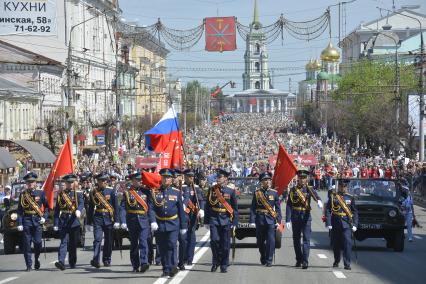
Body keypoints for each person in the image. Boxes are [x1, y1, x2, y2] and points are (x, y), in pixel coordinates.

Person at [150, 168, 187, 278]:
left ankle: (173, 266)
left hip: (173, 223)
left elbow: (181, 210)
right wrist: (152, 221)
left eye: (168, 177)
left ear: (171, 179)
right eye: (164, 177)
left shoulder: (177, 192)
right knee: (162, 247)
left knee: (171, 244)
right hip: (160, 223)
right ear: (161, 178)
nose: (166, 179)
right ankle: (166, 268)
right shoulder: (155, 191)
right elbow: (151, 208)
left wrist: (183, 226)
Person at [285, 167, 323, 269]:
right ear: (298, 178)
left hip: (306, 216)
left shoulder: (309, 189)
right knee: (296, 239)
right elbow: (289, 205)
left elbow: (316, 196)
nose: (302, 179)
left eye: (304, 177)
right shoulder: (293, 190)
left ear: (307, 179)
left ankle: (305, 261)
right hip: (296, 216)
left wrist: (319, 201)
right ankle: (299, 259)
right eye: (300, 177)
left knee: (306, 239)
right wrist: (287, 219)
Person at [204, 168, 238, 273]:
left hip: (226, 219)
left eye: (220, 177)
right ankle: (216, 261)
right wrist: (206, 221)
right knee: (214, 241)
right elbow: (207, 206)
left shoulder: (231, 191)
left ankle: (224, 264)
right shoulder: (212, 189)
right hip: (214, 218)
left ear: (225, 179)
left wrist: (234, 222)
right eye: (217, 177)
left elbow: (235, 208)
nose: (218, 179)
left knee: (225, 244)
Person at [119, 172, 155, 272]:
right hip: (132, 220)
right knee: (134, 244)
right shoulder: (127, 193)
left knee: (143, 242)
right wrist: (123, 221)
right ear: (133, 181)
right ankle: (135, 265)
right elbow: (122, 208)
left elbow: (151, 207)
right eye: (137, 180)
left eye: (140, 180)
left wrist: (152, 221)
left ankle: (144, 263)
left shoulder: (146, 192)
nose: (139, 181)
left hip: (144, 220)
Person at [16, 172, 49, 271]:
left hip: (37, 220)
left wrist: (44, 217)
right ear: (26, 183)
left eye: (32, 182)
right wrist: (20, 223)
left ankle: (36, 258)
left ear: (35, 182)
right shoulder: (23, 194)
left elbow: (47, 207)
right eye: (28, 182)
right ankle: (28, 265)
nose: (30, 183)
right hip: (26, 220)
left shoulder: (41, 193)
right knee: (27, 244)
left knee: (38, 242)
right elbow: (20, 210)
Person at [249, 172, 281, 267]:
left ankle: (269, 260)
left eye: (269, 180)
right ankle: (263, 255)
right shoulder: (257, 193)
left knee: (271, 240)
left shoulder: (274, 193)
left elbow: (278, 208)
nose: (268, 181)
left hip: (270, 220)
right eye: (265, 180)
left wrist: (278, 221)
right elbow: (253, 207)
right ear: (261, 182)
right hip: (260, 219)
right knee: (260, 241)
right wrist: (252, 220)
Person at [87, 172, 119, 268]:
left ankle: (106, 259)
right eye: (102, 181)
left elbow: (116, 207)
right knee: (97, 239)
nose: (104, 182)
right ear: (98, 182)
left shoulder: (111, 191)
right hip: (98, 218)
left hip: (109, 218)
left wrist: (117, 220)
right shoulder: (93, 192)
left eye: (105, 181)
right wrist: (88, 222)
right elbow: (91, 208)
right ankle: (96, 259)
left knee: (109, 241)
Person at [53, 174, 84, 270]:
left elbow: (81, 203)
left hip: (74, 220)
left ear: (74, 183)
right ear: (65, 183)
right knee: (63, 242)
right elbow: (57, 210)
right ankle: (61, 262)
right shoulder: (61, 194)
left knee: (73, 244)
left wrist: (79, 209)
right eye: (68, 182)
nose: (70, 184)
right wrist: (56, 223)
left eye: (71, 182)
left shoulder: (78, 193)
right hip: (64, 220)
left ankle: (72, 262)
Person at [325, 179, 358, 270]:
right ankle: (336, 260)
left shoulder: (350, 197)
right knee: (336, 244)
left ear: (346, 187)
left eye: (344, 186)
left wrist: (355, 224)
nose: (343, 188)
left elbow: (355, 212)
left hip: (347, 223)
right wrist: (329, 222)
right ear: (338, 186)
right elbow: (328, 210)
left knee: (348, 243)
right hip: (335, 222)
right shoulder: (333, 196)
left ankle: (347, 263)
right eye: (341, 186)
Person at [182, 169, 205, 265]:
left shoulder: (196, 189)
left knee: (191, 237)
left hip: (192, 215)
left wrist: (201, 209)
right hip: (183, 215)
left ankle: (190, 258)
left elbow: (200, 200)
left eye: (192, 177)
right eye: (189, 177)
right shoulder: (181, 188)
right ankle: (183, 257)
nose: (191, 178)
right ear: (185, 177)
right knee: (183, 238)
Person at [172, 169, 189, 271]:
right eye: (174, 177)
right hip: (172, 218)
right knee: (172, 242)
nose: (175, 179)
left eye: (177, 176)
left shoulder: (185, 188)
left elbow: (186, 198)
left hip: (182, 218)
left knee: (183, 241)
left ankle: (181, 262)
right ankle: (172, 263)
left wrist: (182, 204)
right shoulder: (168, 188)